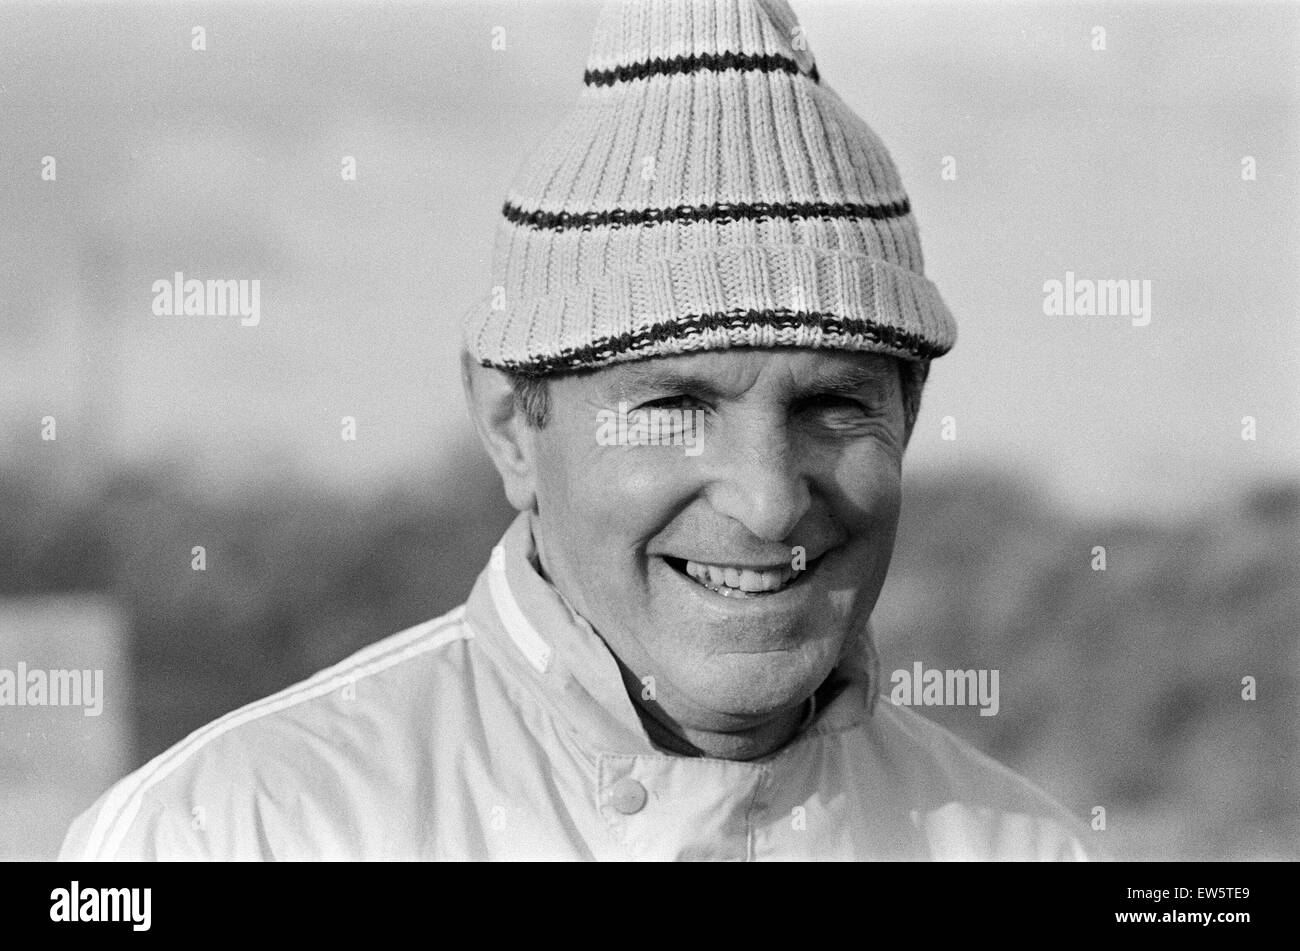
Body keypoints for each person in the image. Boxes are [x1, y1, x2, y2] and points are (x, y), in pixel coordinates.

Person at [62, 0, 1093, 861]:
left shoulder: (1023, 848)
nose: (769, 497)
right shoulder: (236, 833)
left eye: (832, 405)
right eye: (674, 406)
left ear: (907, 416)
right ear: (511, 424)